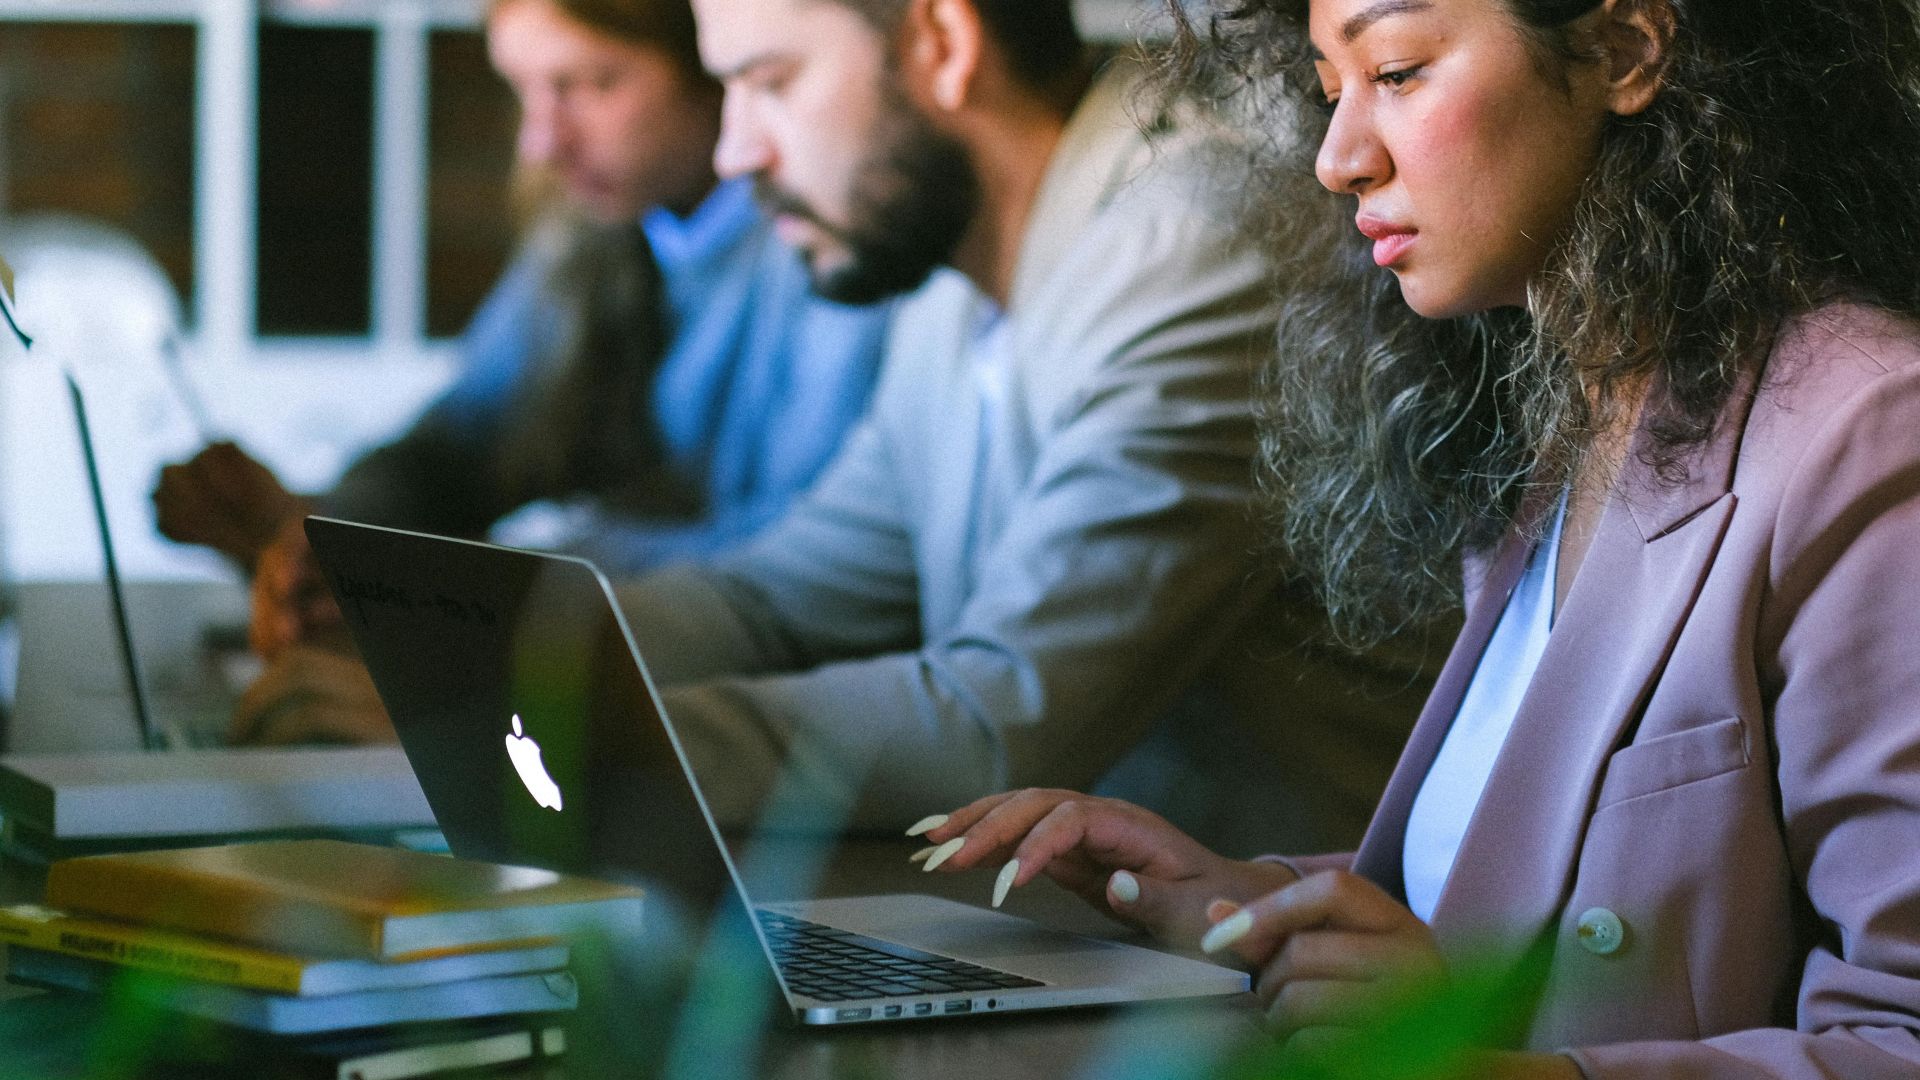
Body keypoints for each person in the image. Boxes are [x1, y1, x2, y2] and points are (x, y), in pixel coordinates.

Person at [914, 0, 1920, 1074]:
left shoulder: (1864, 431)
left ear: (1626, 51)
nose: (1337, 158)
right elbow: (1536, 888)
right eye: (1325, 87)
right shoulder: (1570, 416)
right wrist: (1247, 902)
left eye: (1394, 72)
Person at [235, 0, 1442, 856]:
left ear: (942, 40)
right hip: (1086, 944)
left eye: (769, 81)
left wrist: (524, 730)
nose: (734, 149)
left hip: (1283, 1004)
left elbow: (1004, 721)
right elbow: (784, 598)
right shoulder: (958, 281)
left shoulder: (1192, 240)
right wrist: (462, 633)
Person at [153, 0, 890, 579]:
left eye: (591, 85)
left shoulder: (828, 248)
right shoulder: (596, 232)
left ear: (711, 66)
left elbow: (797, 564)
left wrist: (481, 577)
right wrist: (323, 534)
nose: (542, 143)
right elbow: (455, 450)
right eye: (525, 91)